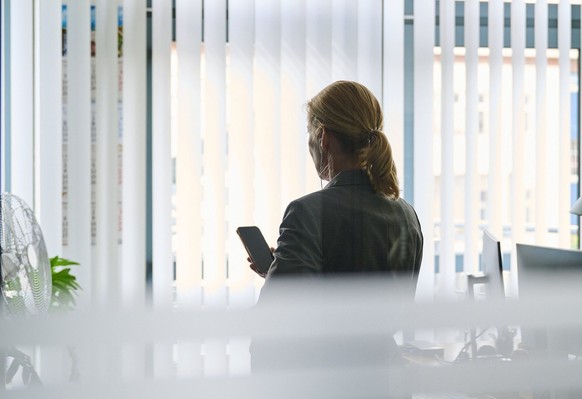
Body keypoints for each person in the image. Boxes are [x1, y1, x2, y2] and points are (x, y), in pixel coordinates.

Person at [249, 80, 423, 396]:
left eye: (308, 132)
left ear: (323, 137)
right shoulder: (406, 215)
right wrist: (279, 268)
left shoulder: (307, 212)